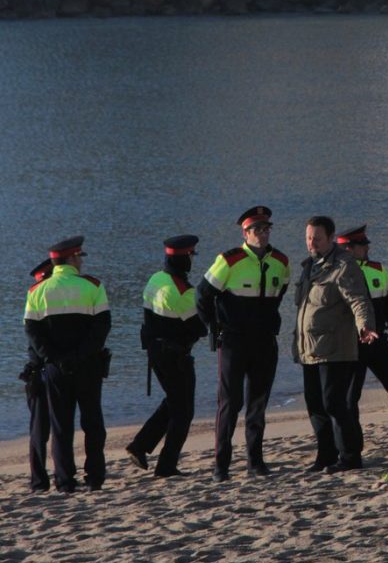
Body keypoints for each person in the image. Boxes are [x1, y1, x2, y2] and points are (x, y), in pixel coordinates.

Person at [197, 206, 290, 480]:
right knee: (230, 403)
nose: (262, 233)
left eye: (266, 228)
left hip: (264, 342)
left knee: (258, 403)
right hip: (234, 343)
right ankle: (221, 465)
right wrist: (215, 327)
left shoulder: (282, 261)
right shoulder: (229, 260)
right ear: (245, 232)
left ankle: (255, 461)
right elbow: (202, 295)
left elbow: (280, 293)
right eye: (257, 229)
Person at [24, 235, 111, 493]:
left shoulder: (37, 291)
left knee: (61, 426)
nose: (81, 262)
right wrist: (81, 355)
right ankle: (94, 477)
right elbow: (102, 327)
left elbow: (32, 332)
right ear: (72, 259)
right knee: (93, 423)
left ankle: (65, 481)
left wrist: (54, 358)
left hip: (55, 369)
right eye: (79, 257)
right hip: (88, 366)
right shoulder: (93, 286)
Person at [294, 215, 377, 474]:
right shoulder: (309, 266)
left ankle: (351, 456)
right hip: (308, 348)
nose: (312, 243)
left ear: (331, 238)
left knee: (334, 403)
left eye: (317, 238)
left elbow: (358, 300)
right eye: (308, 238)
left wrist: (365, 325)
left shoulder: (344, 265)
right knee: (315, 405)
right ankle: (326, 456)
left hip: (335, 349)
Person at [126, 235, 207, 479]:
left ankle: (140, 445)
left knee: (173, 401)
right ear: (184, 259)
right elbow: (199, 327)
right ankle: (166, 466)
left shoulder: (156, 279)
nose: (192, 260)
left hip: (156, 353)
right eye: (191, 256)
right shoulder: (182, 290)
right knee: (183, 411)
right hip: (176, 357)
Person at [337, 224, 388, 458]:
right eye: (362, 245)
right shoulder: (336, 272)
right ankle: (354, 447)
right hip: (350, 345)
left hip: (378, 342)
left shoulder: (379, 270)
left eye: (366, 244)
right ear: (349, 249)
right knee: (350, 398)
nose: (367, 248)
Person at [20, 258, 53, 493]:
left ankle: (39, 480)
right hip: (41, 372)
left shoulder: (35, 299)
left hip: (39, 371)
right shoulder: (39, 298)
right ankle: (39, 480)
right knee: (41, 430)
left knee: (39, 431)